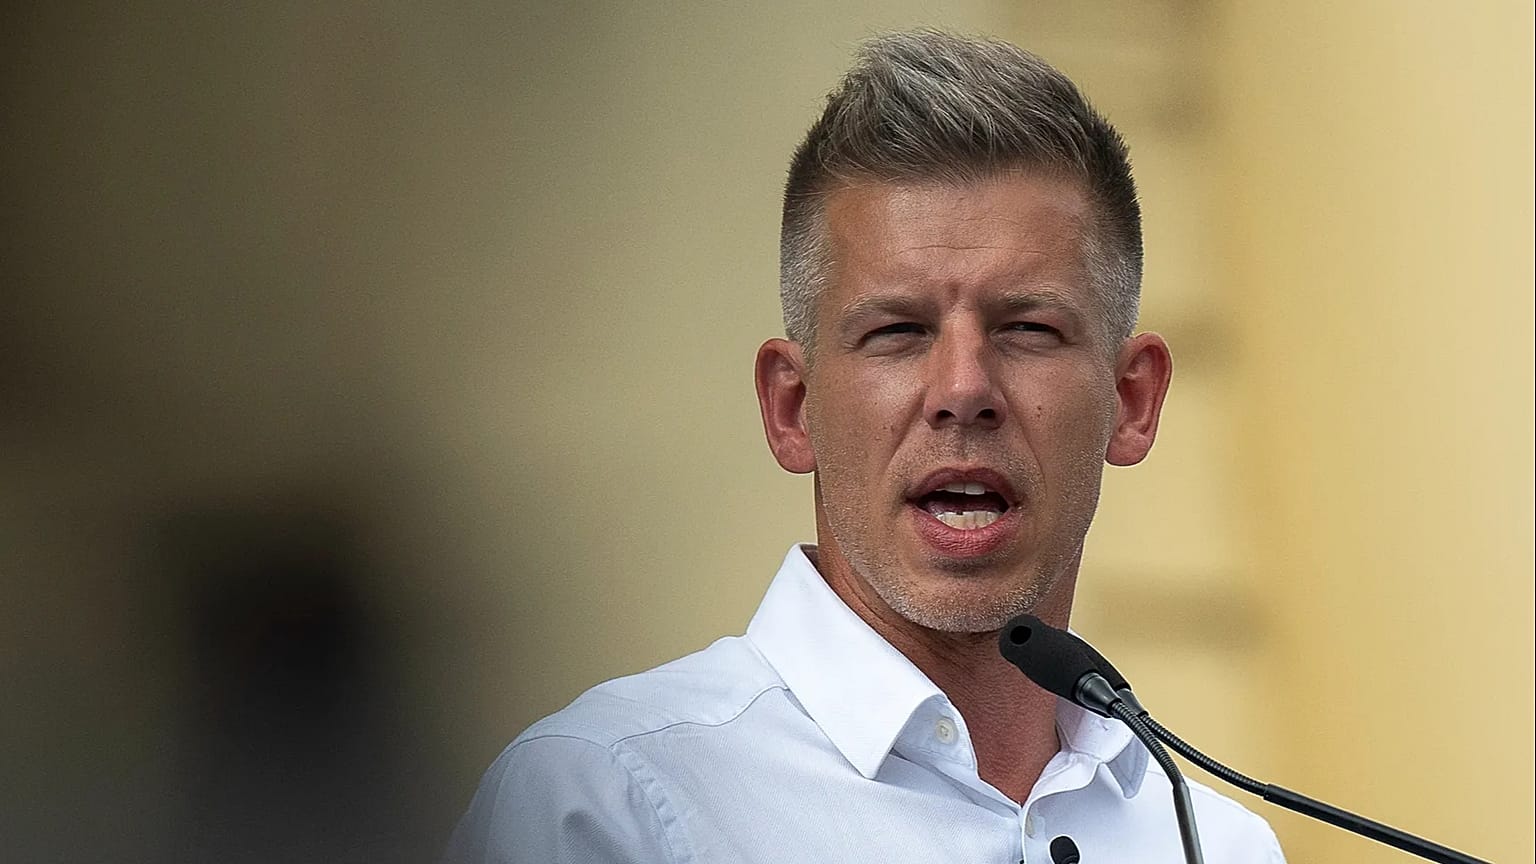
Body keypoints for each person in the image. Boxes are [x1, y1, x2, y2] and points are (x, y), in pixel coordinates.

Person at [446, 30, 1285, 863]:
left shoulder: (1220, 846)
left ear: (1132, 401)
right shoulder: (604, 802)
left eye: (1028, 328)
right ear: (792, 408)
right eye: (897, 331)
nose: (964, 389)